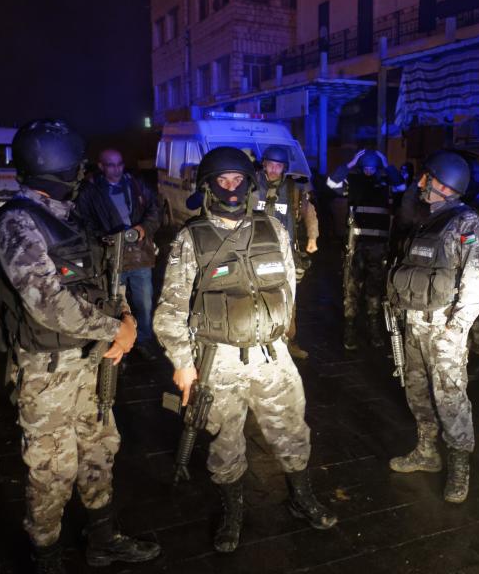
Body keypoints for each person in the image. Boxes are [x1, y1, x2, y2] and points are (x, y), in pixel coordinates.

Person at [0, 120, 160, 572]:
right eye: (78, 166)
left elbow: (104, 278)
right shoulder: (17, 223)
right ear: (60, 166)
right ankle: (47, 555)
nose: (84, 174)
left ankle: (102, 538)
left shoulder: (70, 216)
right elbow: (48, 303)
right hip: (47, 372)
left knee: (101, 447)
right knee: (52, 469)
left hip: (90, 362)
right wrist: (115, 329)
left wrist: (123, 319)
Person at [154, 147, 336, 554]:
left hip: (272, 357)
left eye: (238, 180)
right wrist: (183, 364)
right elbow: (170, 309)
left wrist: (278, 331)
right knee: (225, 441)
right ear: (209, 186)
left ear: (250, 183)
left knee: (292, 428)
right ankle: (233, 510)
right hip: (218, 362)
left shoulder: (275, 229)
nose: (232, 188)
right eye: (223, 180)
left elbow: (289, 285)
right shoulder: (191, 240)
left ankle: (301, 496)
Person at [386, 150, 479, 503]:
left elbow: (478, 281)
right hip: (413, 323)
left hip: (444, 327)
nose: (419, 184)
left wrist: (456, 329)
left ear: (444, 185)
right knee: (416, 391)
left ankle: (460, 468)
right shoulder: (423, 218)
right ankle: (426, 452)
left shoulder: (466, 225)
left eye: (425, 178)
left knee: (450, 398)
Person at [75, 149, 162, 361]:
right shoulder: (90, 190)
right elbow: (82, 220)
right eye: (111, 165)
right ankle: (117, 346)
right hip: (110, 258)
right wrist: (104, 238)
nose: (117, 169)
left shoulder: (136, 184)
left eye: (120, 164)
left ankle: (143, 341)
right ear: (101, 166)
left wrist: (144, 228)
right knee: (114, 304)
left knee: (144, 303)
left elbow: (155, 209)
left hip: (140, 256)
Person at [327, 149, 401, 349]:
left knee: (374, 290)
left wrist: (387, 165)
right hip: (356, 245)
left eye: (372, 168)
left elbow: (402, 186)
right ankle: (349, 329)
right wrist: (350, 164)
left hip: (378, 247)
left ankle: (374, 328)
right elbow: (331, 184)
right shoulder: (354, 183)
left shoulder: (386, 185)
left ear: (377, 168)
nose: (369, 172)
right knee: (351, 288)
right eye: (366, 168)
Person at [254, 145, 319, 359]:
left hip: (285, 252)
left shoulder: (293, 189)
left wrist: (312, 237)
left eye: (278, 166)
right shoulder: (252, 185)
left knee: (289, 298)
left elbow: (309, 212)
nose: (274, 169)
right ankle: (259, 343)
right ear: (264, 164)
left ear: (284, 167)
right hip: (256, 253)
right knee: (257, 298)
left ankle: (290, 341)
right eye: (270, 165)